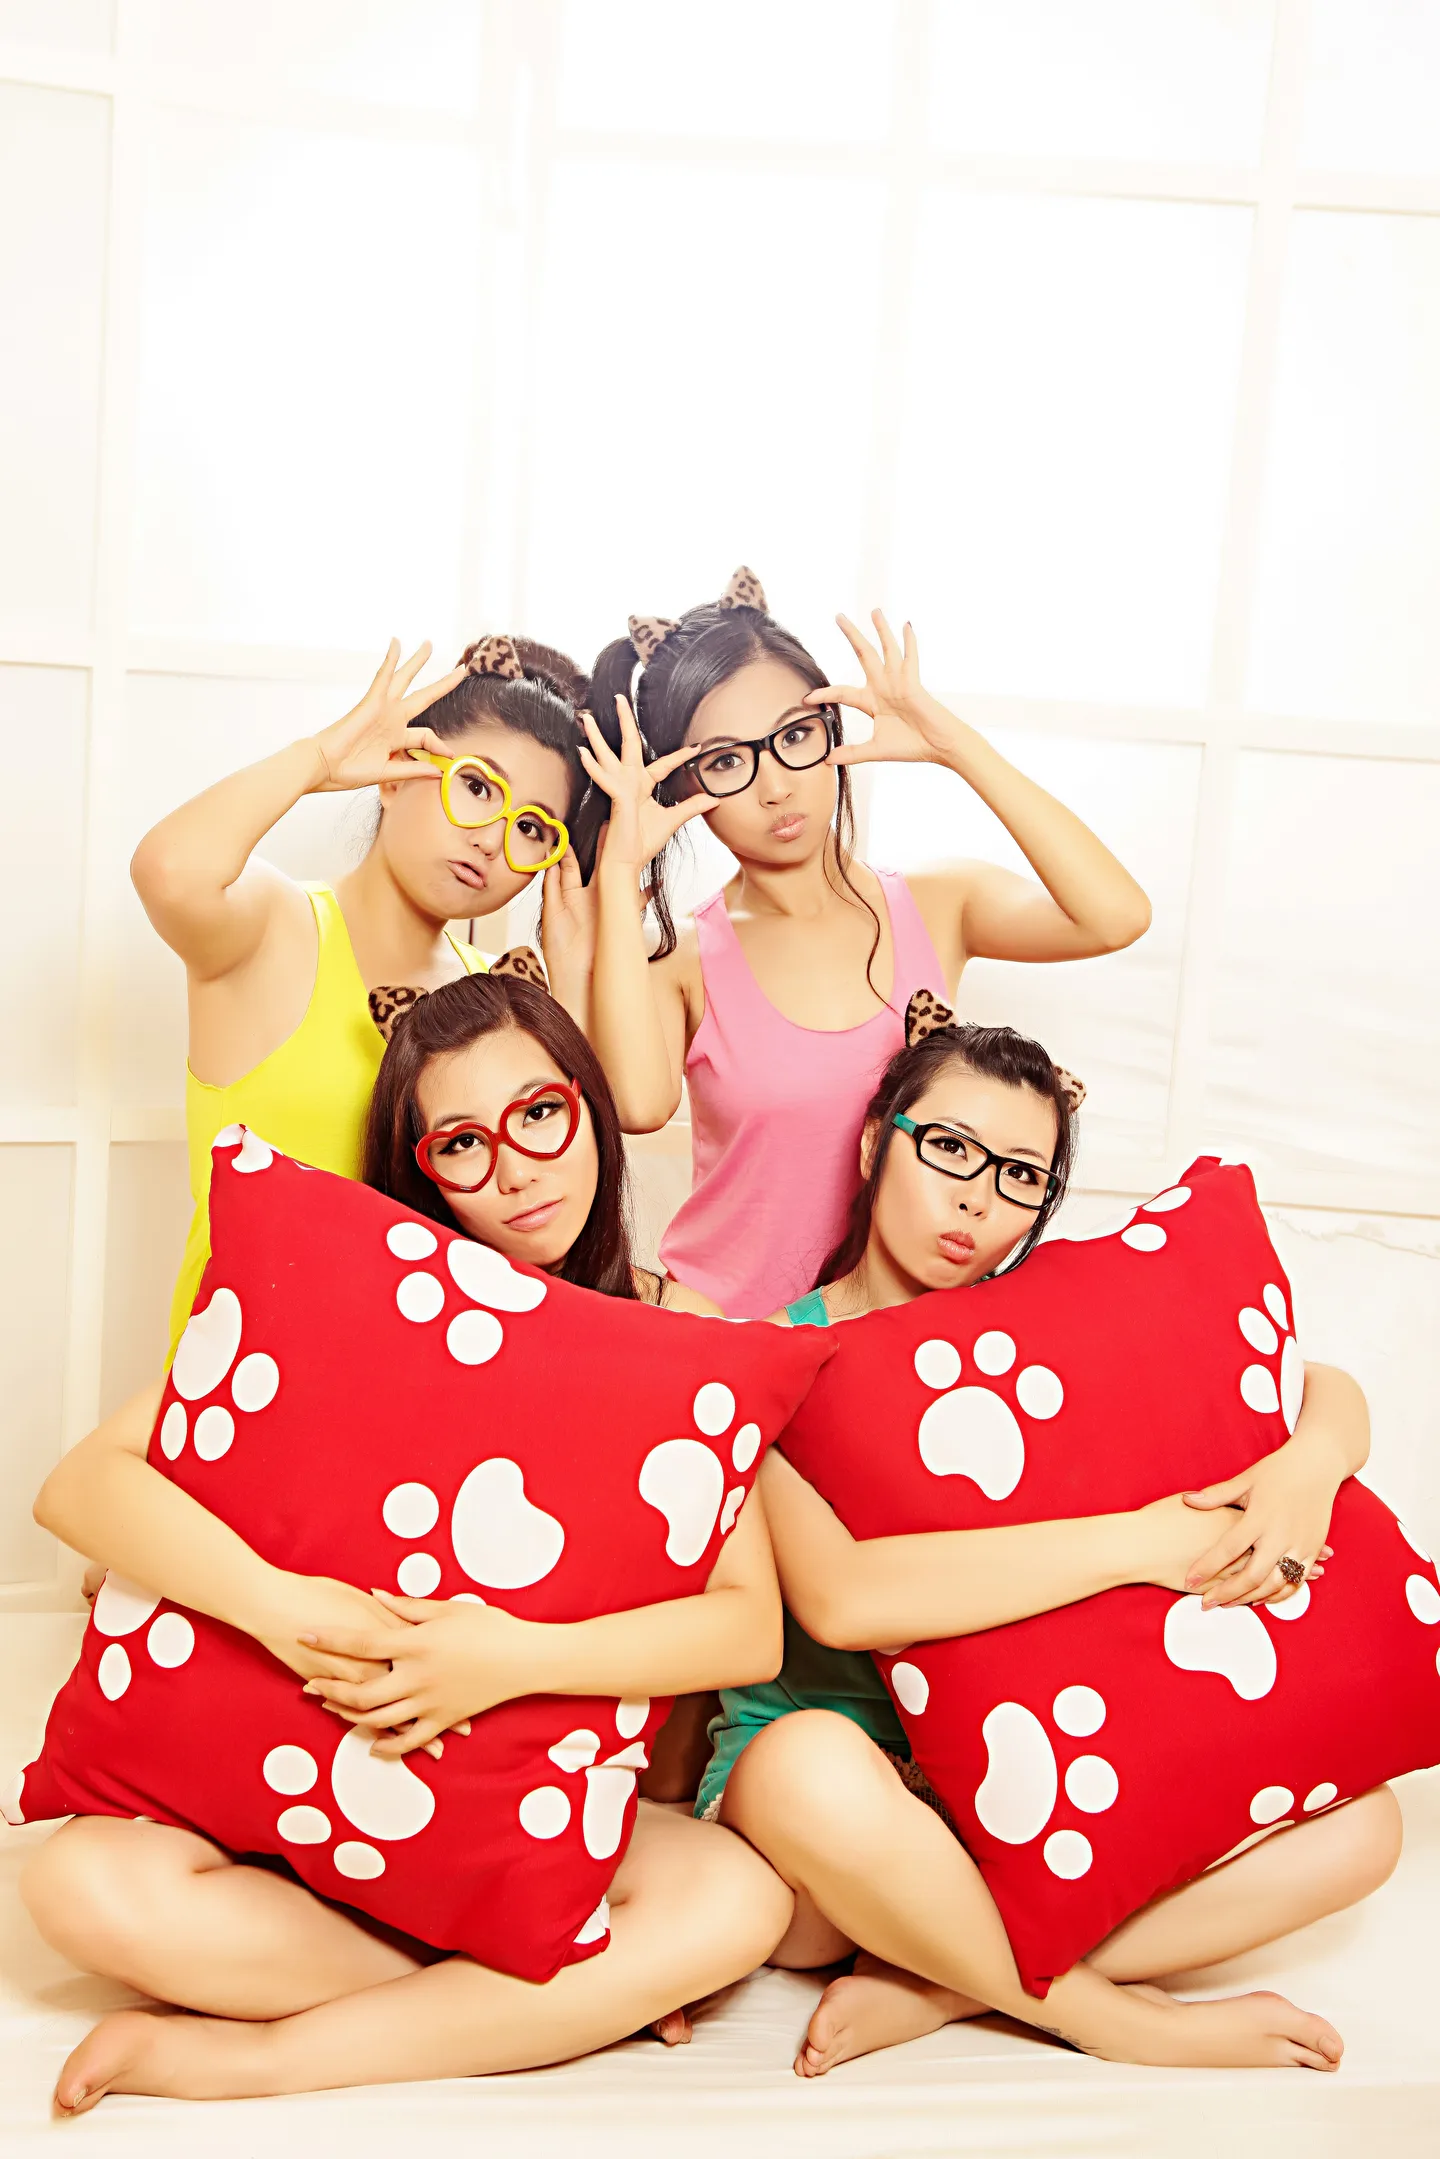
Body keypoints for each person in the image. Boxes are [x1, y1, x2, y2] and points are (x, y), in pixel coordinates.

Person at [23, 975, 792, 2110]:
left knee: (739, 1898)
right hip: (304, 1776)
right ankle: (549, 1992)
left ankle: (272, 2056)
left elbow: (748, 1627)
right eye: (463, 1143)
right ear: (421, 1167)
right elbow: (84, 1484)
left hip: (517, 1795)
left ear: (588, 1105)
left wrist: (506, 1657)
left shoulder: (681, 1332)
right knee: (78, 1884)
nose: (517, 1168)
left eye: (541, 1112)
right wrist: (292, 1610)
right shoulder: (354, 1295)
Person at [706, 1003, 1395, 2076]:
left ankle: (945, 1981)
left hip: (1013, 1794)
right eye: (949, 1148)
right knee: (806, 1763)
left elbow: (1312, 1380)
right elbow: (842, 1598)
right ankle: (1105, 2015)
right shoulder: (768, 1355)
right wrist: (1141, 1543)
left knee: (1368, 1827)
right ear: (876, 1141)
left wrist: (1310, 1466)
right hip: (833, 1832)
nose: (977, 1198)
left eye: (1021, 1174)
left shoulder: (1050, 1329)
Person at [577, 569, 1152, 1318]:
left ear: (831, 731)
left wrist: (952, 745)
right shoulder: (683, 958)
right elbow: (635, 1104)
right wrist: (619, 869)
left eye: (795, 737)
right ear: (683, 786)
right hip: (732, 1337)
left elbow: (1116, 916)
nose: (775, 787)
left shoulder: (939, 904)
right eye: (725, 761)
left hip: (894, 1340)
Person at [133, 632, 599, 1354]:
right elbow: (168, 872)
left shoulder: (498, 997)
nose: (491, 839)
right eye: (477, 787)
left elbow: (559, 1192)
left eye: (532, 827)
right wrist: (320, 760)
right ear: (396, 771)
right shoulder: (276, 929)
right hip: (241, 1383)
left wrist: (573, 969)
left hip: (420, 1387)